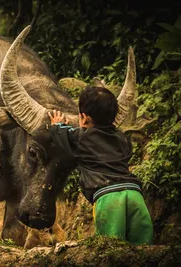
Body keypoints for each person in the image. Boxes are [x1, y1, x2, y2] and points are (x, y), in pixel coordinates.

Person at [48, 86, 153, 245]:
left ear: (84, 118)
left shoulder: (81, 137)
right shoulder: (123, 139)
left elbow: (62, 137)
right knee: (144, 249)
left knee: (109, 250)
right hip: (134, 194)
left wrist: (57, 125)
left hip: (108, 198)